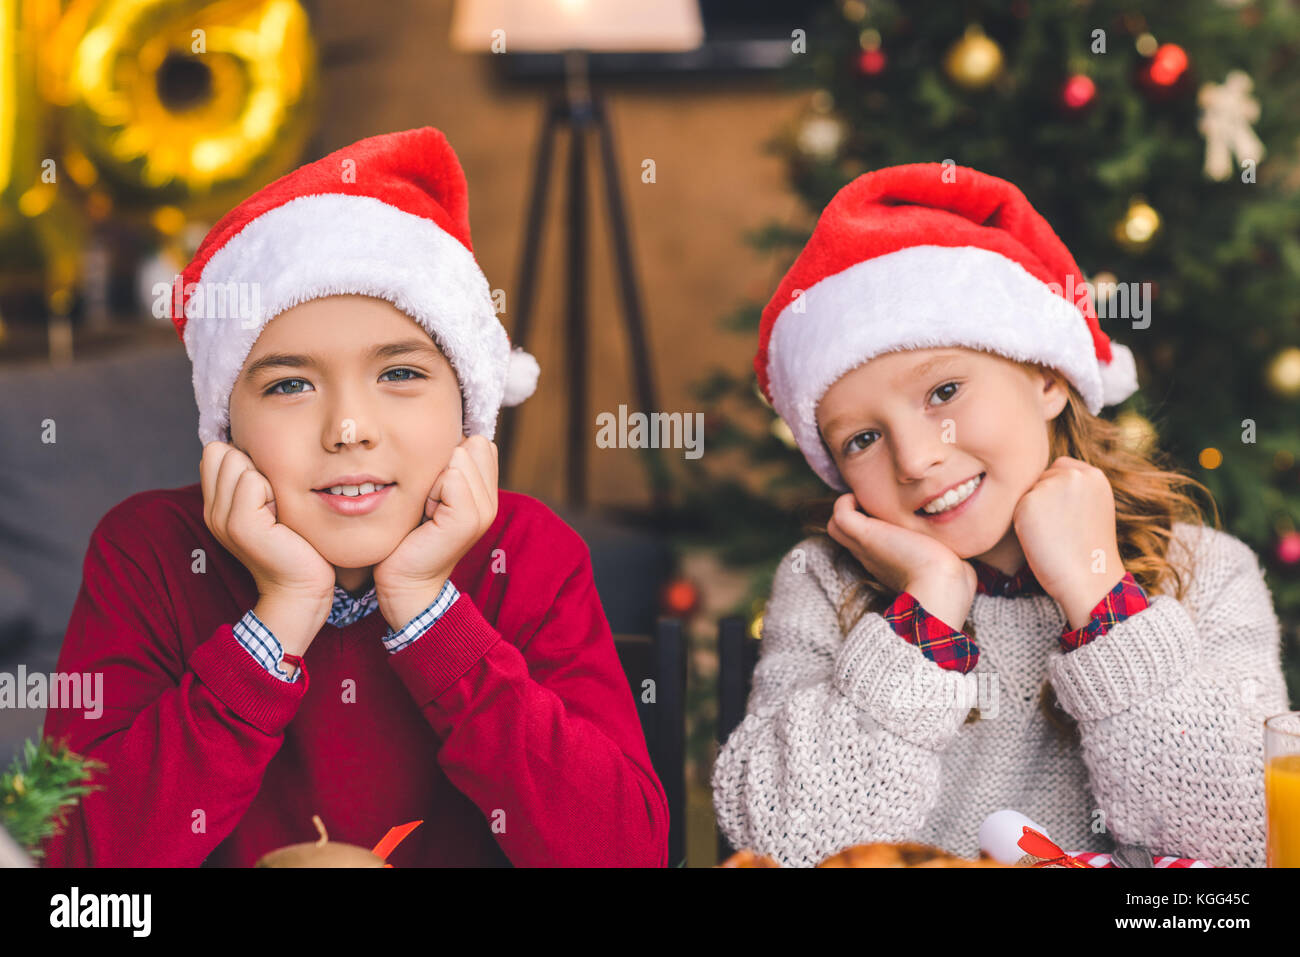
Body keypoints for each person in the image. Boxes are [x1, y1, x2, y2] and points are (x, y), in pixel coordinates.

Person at [41, 126, 668, 867]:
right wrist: (276, 622)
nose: (347, 428)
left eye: (399, 374)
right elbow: (78, 872)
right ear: (226, 425)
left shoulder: (529, 555)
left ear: (468, 409)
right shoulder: (147, 553)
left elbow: (625, 853)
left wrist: (431, 617)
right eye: (289, 384)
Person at [712, 162, 1290, 868]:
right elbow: (782, 844)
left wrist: (1101, 595)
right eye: (862, 439)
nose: (918, 458)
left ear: (1045, 374)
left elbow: (1247, 844)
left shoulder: (1205, 573)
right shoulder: (822, 587)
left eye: (944, 390)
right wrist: (923, 618)